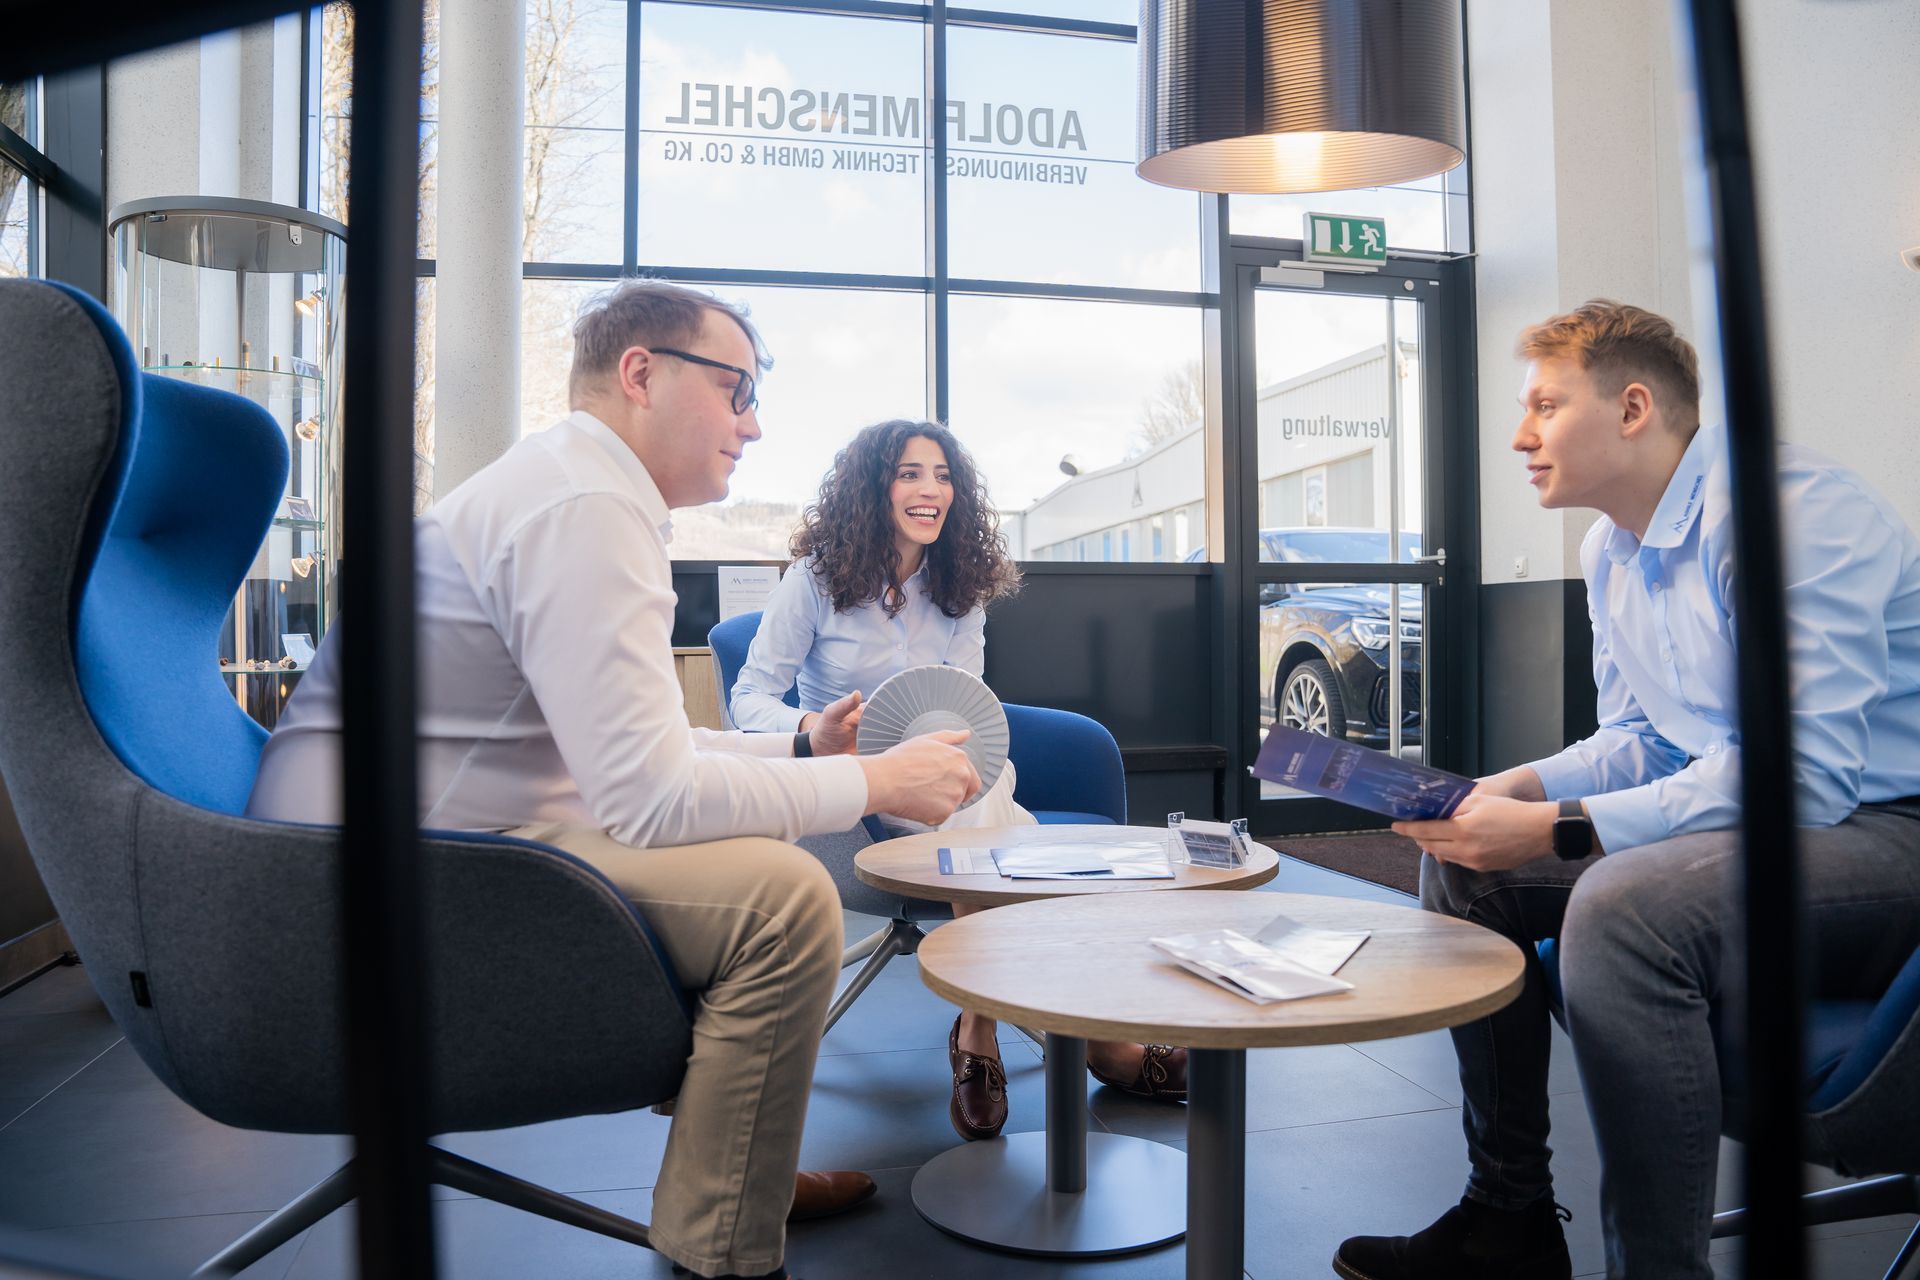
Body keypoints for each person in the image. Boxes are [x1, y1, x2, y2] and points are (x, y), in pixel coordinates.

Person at [247, 280, 983, 1280]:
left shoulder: (574, 483)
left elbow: (649, 746)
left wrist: (819, 757)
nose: (754, 424)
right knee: (786, 899)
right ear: (640, 373)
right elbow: (652, 795)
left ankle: (738, 1158)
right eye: (737, 391)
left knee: (759, 845)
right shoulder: (587, 505)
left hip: (397, 837)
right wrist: (874, 779)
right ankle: (725, 1238)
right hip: (384, 879)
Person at [1332, 300, 1920, 1280]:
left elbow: (1805, 779)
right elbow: (1646, 736)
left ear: (1633, 406)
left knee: (1617, 908)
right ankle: (1506, 1219)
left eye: (1545, 406)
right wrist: (1502, 790)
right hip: (1785, 826)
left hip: (1890, 826)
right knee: (1469, 879)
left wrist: (1559, 829)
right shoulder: (1611, 551)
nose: (1520, 434)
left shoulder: (1794, 514)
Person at [730, 419, 1189, 1143]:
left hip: (948, 774)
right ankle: (1095, 1039)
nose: (930, 490)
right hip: (855, 791)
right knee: (1003, 841)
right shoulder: (815, 581)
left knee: (969, 793)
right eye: (911, 473)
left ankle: (979, 1027)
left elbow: (969, 699)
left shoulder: (959, 587)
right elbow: (749, 695)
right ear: (872, 488)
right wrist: (813, 731)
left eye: (942, 476)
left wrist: (956, 753)